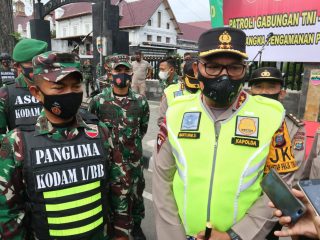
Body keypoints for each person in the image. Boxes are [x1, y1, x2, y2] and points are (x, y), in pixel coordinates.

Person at [152, 27, 298, 240]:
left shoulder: (271, 116)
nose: (224, 75)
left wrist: (236, 235)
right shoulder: (176, 112)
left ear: (245, 70)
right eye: (212, 66)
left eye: (234, 67)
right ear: (197, 68)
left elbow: (280, 184)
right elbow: (162, 181)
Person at [0, 51, 117, 239]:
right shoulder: (17, 143)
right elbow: (8, 213)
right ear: (37, 93)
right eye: (59, 87)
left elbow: (115, 190)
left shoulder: (100, 132)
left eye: (76, 86)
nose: (70, 93)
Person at [88, 54, 150, 240]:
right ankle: (111, 229)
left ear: (131, 73)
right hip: (107, 162)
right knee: (107, 196)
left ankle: (136, 226)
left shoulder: (140, 101)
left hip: (133, 161)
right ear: (110, 73)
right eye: (118, 70)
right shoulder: (98, 101)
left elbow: (143, 128)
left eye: (126, 70)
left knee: (136, 196)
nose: (122, 74)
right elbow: (92, 130)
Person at [249, 67, 306, 183]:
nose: (264, 92)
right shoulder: (240, 121)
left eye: (271, 87)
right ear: (250, 92)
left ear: (282, 93)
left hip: (274, 193)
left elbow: (293, 170)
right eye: (258, 87)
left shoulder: (294, 126)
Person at [0, 39, 47, 136]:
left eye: (41, 62)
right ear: (18, 66)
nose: (38, 67)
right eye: (31, 63)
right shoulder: (5, 94)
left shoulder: (56, 88)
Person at [157, 58, 200, 126]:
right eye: (160, 69)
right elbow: (161, 119)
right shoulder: (166, 85)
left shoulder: (182, 83)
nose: (160, 72)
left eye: (162, 69)